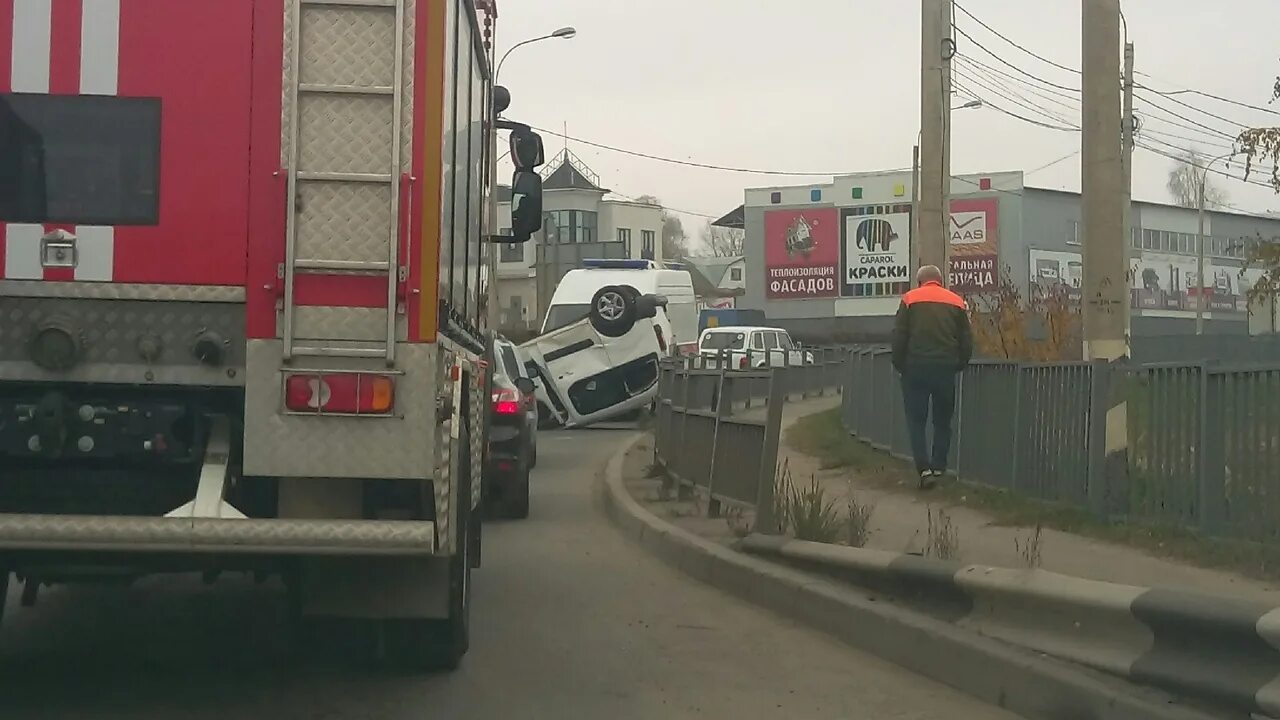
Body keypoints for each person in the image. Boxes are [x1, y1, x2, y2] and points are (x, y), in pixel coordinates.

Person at [891, 265, 973, 489]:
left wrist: (899, 364)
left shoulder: (909, 299)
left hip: (915, 368)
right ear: (940, 280)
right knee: (943, 420)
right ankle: (939, 466)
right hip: (945, 368)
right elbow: (966, 339)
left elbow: (900, 335)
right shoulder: (955, 301)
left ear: (920, 282)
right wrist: (960, 363)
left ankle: (924, 469)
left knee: (916, 421)